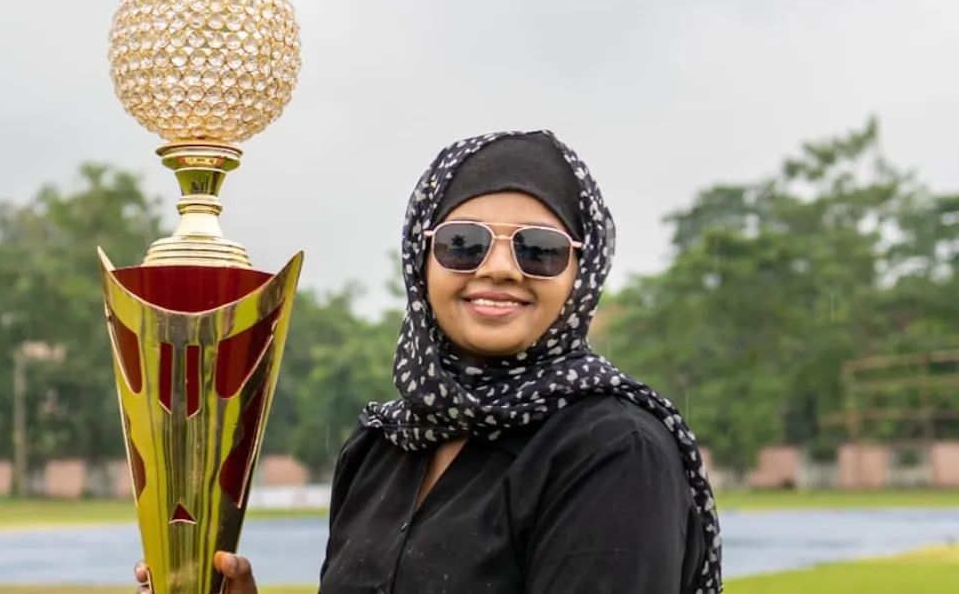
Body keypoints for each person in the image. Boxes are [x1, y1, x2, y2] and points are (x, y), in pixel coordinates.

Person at [135, 130, 724, 594]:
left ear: (581, 274)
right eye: (463, 242)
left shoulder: (613, 450)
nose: (499, 268)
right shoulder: (381, 447)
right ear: (423, 259)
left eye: (538, 249)